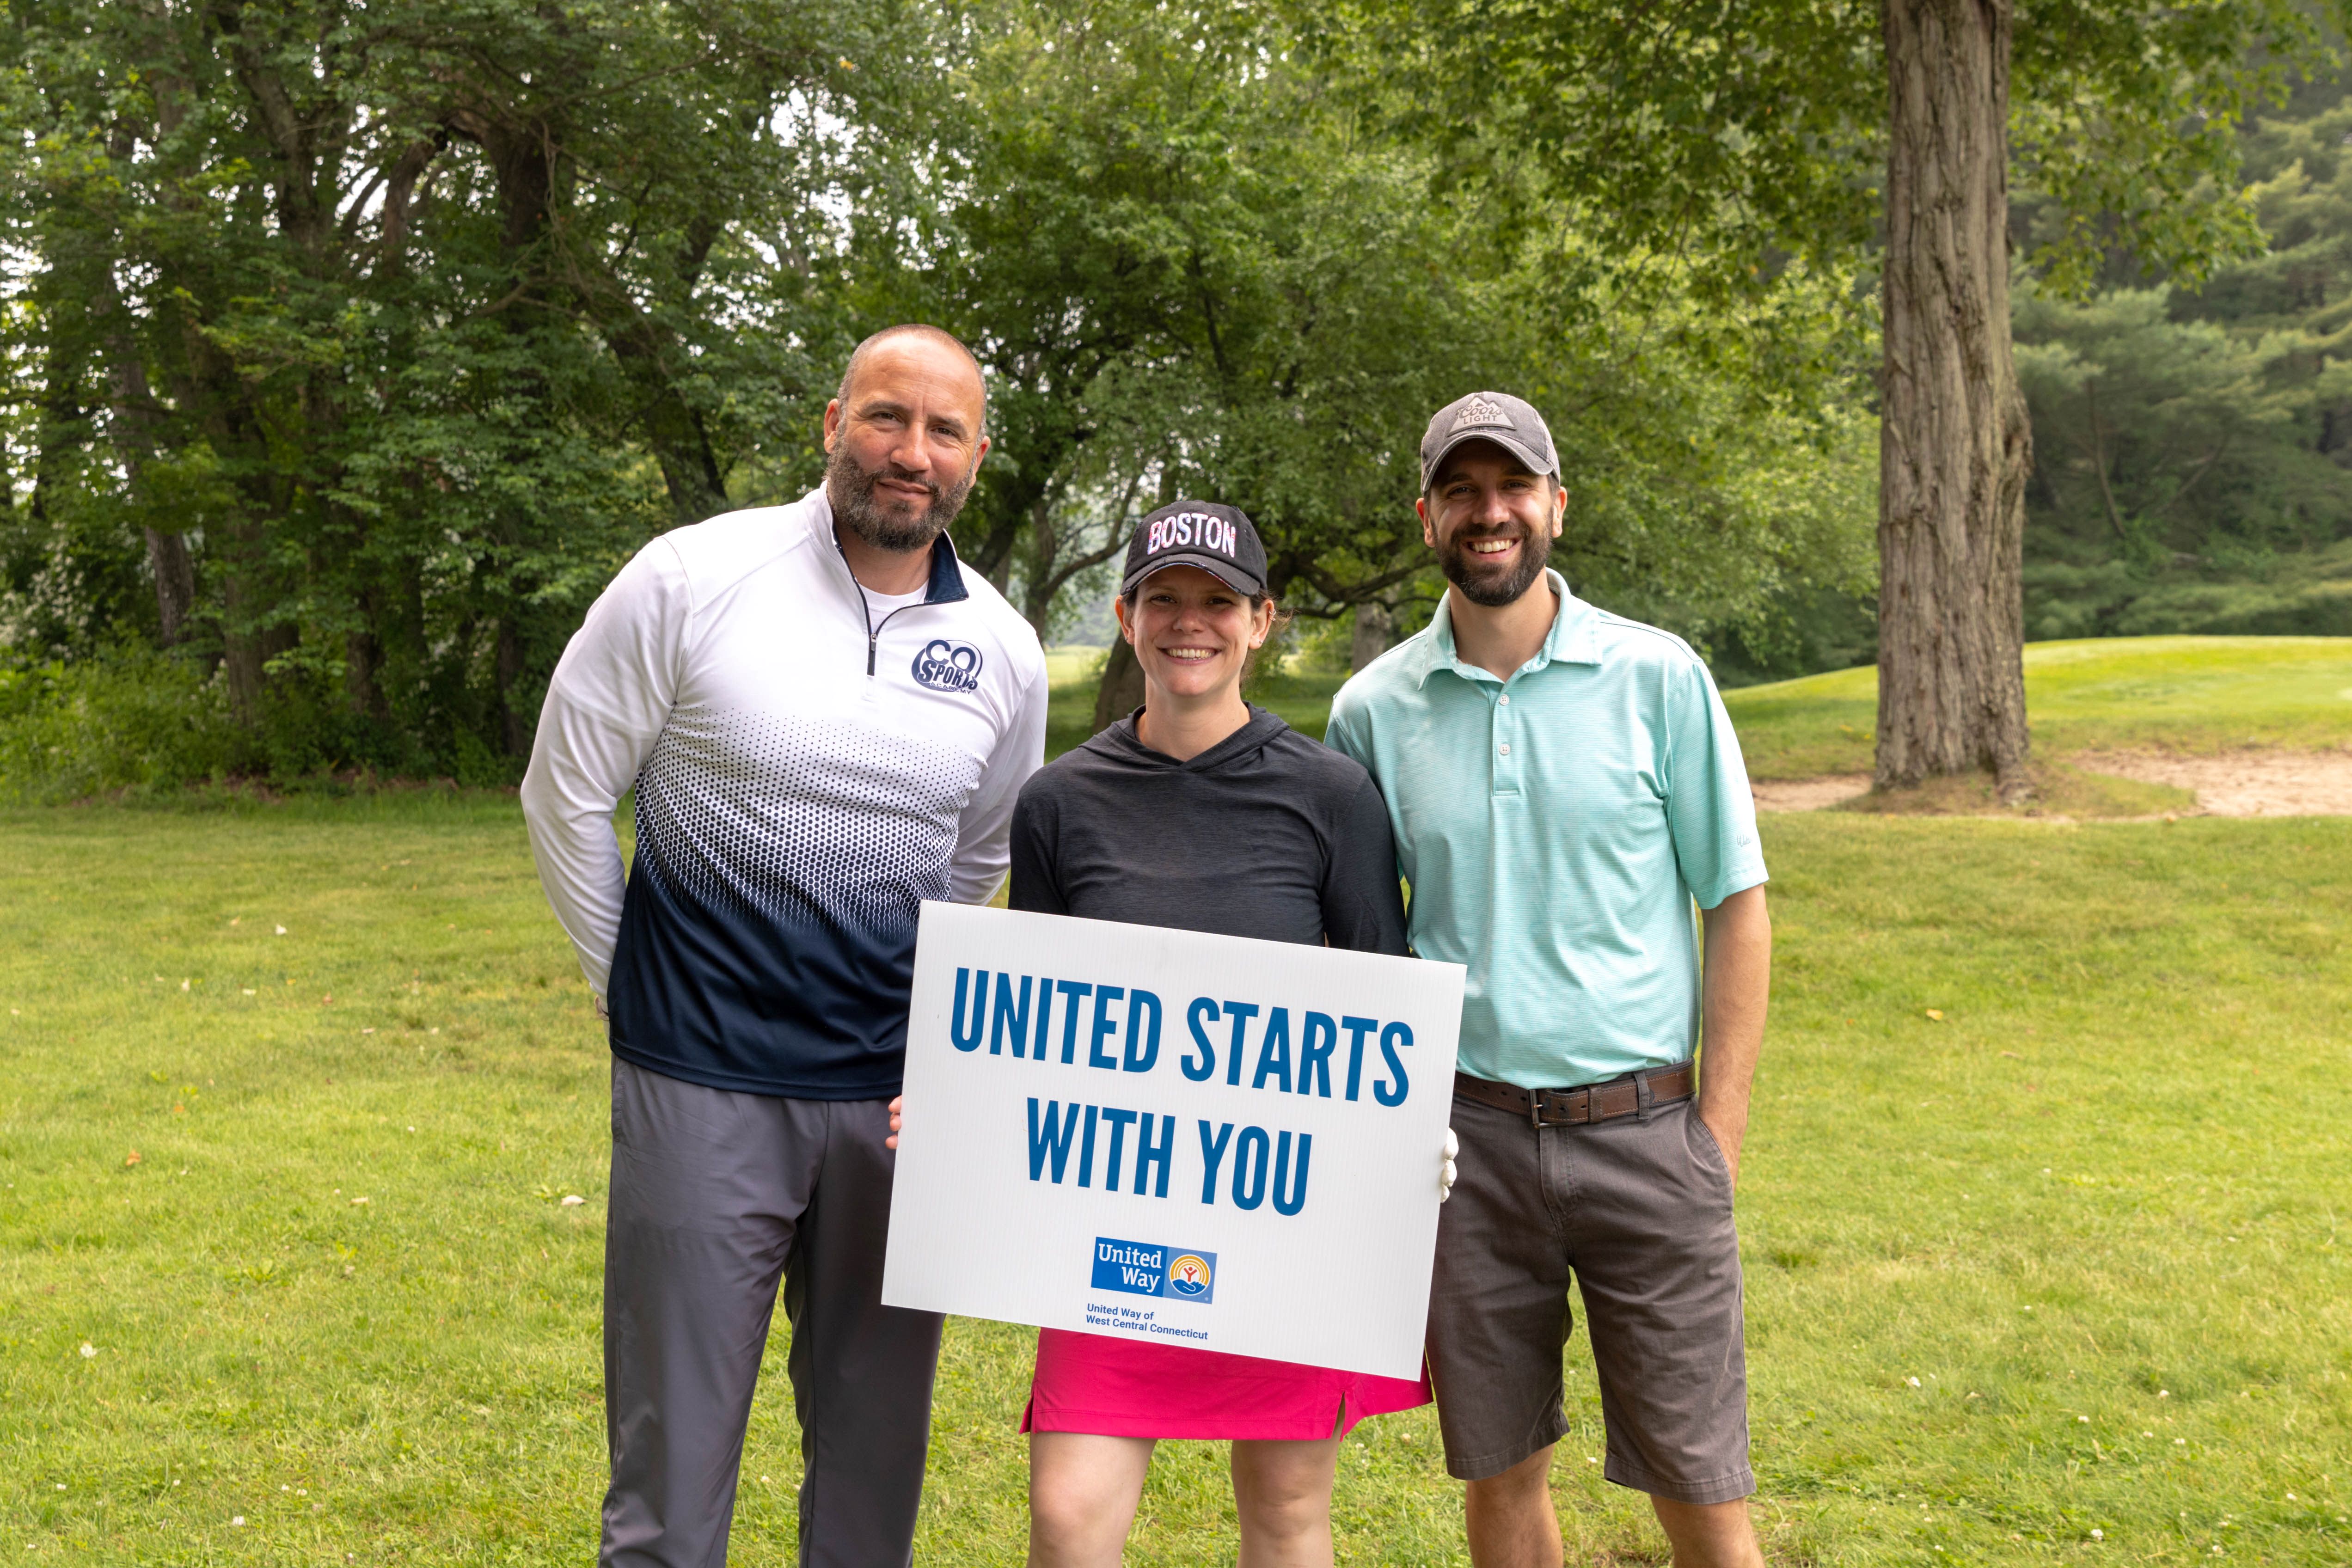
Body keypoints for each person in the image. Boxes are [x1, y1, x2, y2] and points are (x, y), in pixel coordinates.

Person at [520, 323, 1048, 1568]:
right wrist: (633, 983)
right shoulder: (692, 576)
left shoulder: (1009, 655)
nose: (909, 452)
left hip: (890, 1105)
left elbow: (977, 865)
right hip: (699, 1087)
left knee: (872, 1474)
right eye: (884, 417)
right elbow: (567, 793)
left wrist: (942, 1048)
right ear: (831, 424)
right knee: (671, 1479)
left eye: (942, 430)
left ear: (978, 455)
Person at [894, 498, 1433, 1568]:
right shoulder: (1057, 802)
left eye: (1220, 601)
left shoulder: (1332, 795)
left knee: (1285, 1517)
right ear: (1126, 613)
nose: (1193, 622)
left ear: (1263, 619)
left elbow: (1383, 989)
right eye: (1166, 598)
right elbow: (1031, 1017)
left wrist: (1413, 1134)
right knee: (1069, 1513)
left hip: (1281, 1220)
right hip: (1110, 1233)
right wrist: (959, 1103)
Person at [1325, 392, 1774, 1568]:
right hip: (1464, 1153)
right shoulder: (1370, 711)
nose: (1491, 513)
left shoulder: (1659, 677)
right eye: (1462, 491)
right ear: (1427, 517)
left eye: (1513, 487)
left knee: (1704, 1495)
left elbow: (1736, 902)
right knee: (1500, 1479)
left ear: (1555, 507)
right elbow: (1360, 939)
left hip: (1648, 1131)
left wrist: (1715, 1130)